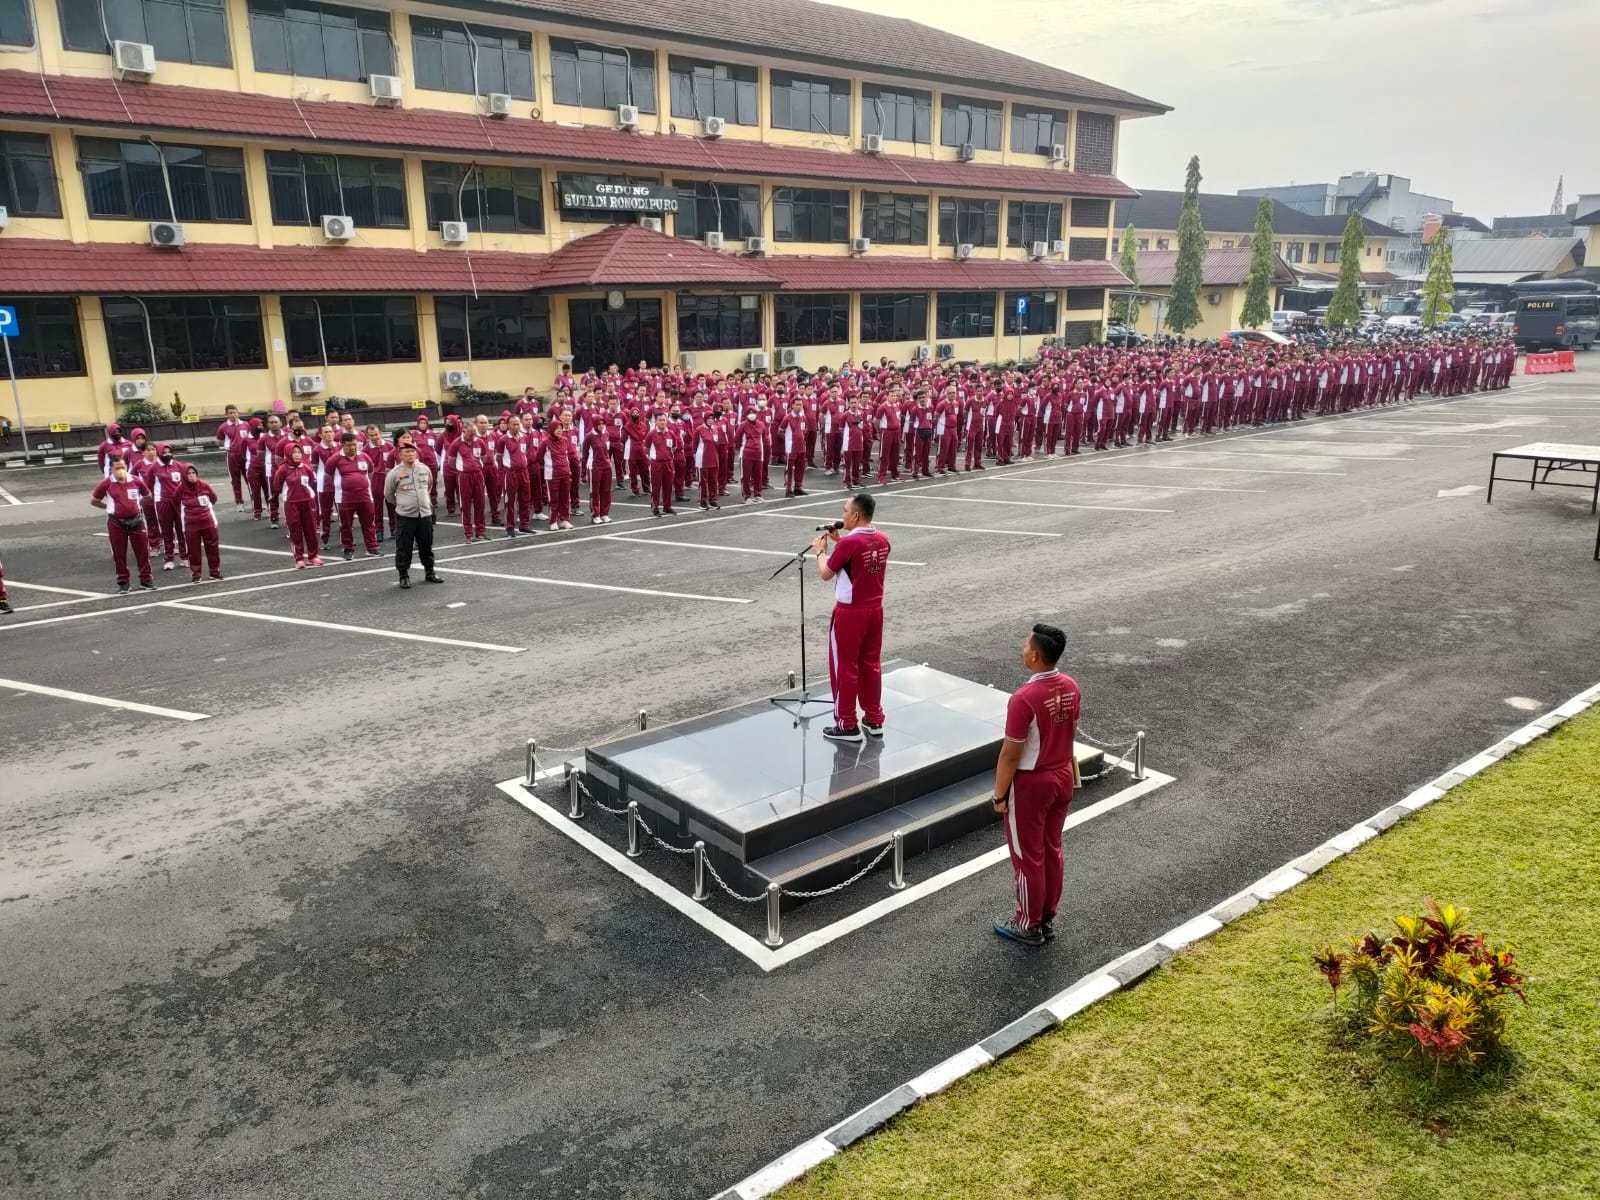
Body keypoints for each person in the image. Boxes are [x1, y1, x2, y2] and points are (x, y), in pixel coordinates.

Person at [990, 623, 1081, 947]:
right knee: (1052, 849)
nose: (1022, 649)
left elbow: (1010, 754)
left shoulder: (1023, 698)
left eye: (1025, 645)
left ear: (1035, 655)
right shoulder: (1070, 685)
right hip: (1062, 776)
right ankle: (1046, 917)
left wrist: (1000, 795)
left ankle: (1027, 924)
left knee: (1028, 855)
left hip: (1032, 783)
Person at [812, 492, 890, 744]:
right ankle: (874, 717)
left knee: (844, 667)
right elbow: (857, 559)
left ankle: (846, 723)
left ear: (856, 515)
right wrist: (840, 542)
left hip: (850, 612)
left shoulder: (848, 545)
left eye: (845, 510)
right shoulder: (882, 539)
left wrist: (820, 552)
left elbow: (826, 573)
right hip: (874, 609)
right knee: (870, 664)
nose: (842, 515)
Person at [91, 458, 156, 593]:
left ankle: (146, 579)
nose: (120, 470)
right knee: (119, 553)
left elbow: (148, 495)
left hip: (136, 520)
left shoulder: (136, 481)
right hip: (116, 522)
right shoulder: (106, 483)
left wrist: (136, 505)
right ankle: (123, 582)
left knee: (142, 551)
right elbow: (94, 501)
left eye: (122, 467)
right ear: (111, 470)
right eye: (117, 468)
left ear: (126, 467)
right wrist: (109, 507)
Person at [384, 442, 442, 589]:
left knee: (426, 545)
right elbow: (389, 494)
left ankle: (430, 572)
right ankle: (403, 575)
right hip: (405, 516)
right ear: (400, 454)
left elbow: (428, 486)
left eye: (412, 451)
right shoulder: (395, 473)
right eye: (407, 452)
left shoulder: (424, 469)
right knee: (404, 547)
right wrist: (402, 504)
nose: (410, 454)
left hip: (424, 514)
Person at [177, 464, 223, 581]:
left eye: (193, 473)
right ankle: (196, 574)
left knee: (212, 548)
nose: (192, 476)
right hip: (191, 524)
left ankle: (214, 571)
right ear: (184, 476)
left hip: (208, 521)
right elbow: (175, 503)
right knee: (193, 550)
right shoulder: (180, 489)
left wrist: (205, 511)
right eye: (188, 474)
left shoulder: (204, 485)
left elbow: (213, 498)